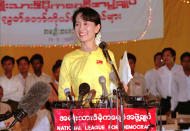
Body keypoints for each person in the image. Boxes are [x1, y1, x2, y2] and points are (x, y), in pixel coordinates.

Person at [58, 7, 118, 104]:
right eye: (77, 24)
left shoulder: (107, 54)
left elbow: (114, 87)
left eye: (86, 24)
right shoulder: (69, 58)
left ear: (97, 28)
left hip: (105, 112)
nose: (81, 28)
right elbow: (63, 94)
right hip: (80, 113)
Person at [157, 48, 183, 115]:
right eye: (164, 56)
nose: (165, 58)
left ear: (173, 57)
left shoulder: (181, 69)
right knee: (163, 122)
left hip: (179, 101)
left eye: (168, 55)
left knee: (178, 122)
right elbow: (158, 86)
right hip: (165, 101)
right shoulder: (160, 71)